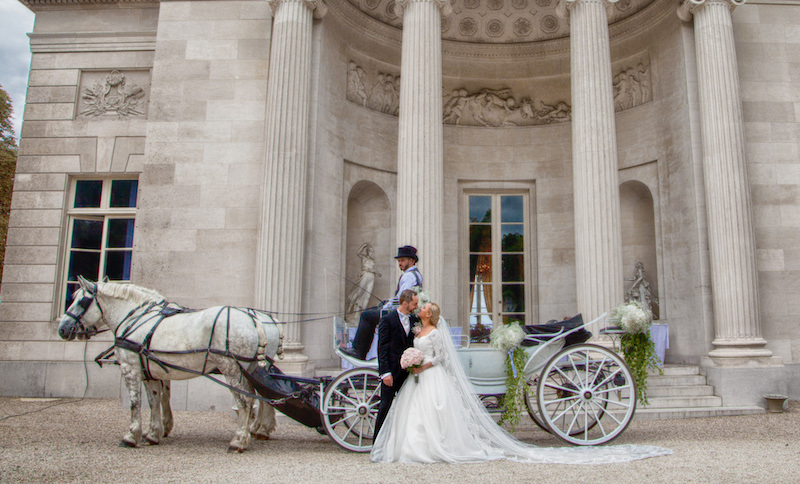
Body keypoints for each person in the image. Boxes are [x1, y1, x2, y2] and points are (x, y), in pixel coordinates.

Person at [370, 301, 672, 464]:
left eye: (422, 306)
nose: (419, 307)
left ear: (429, 314)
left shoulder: (433, 331)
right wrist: (413, 361)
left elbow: (438, 356)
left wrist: (420, 364)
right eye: (418, 305)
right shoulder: (418, 329)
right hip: (422, 379)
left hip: (428, 375)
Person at [343, 245, 422, 360]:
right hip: (402, 313)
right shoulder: (416, 274)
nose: (400, 263)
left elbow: (402, 298)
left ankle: (359, 351)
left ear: (411, 261)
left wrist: (386, 305)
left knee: (366, 316)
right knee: (371, 311)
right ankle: (360, 350)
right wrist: (386, 302)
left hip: (398, 315)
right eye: (399, 261)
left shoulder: (409, 276)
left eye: (402, 260)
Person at [373, 289, 419, 438]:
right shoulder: (387, 320)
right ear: (405, 303)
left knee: (408, 406)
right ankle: (377, 442)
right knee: (385, 405)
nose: (416, 307)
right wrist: (385, 373)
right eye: (414, 304)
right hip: (391, 372)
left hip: (408, 372)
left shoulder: (414, 321)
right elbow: (382, 348)